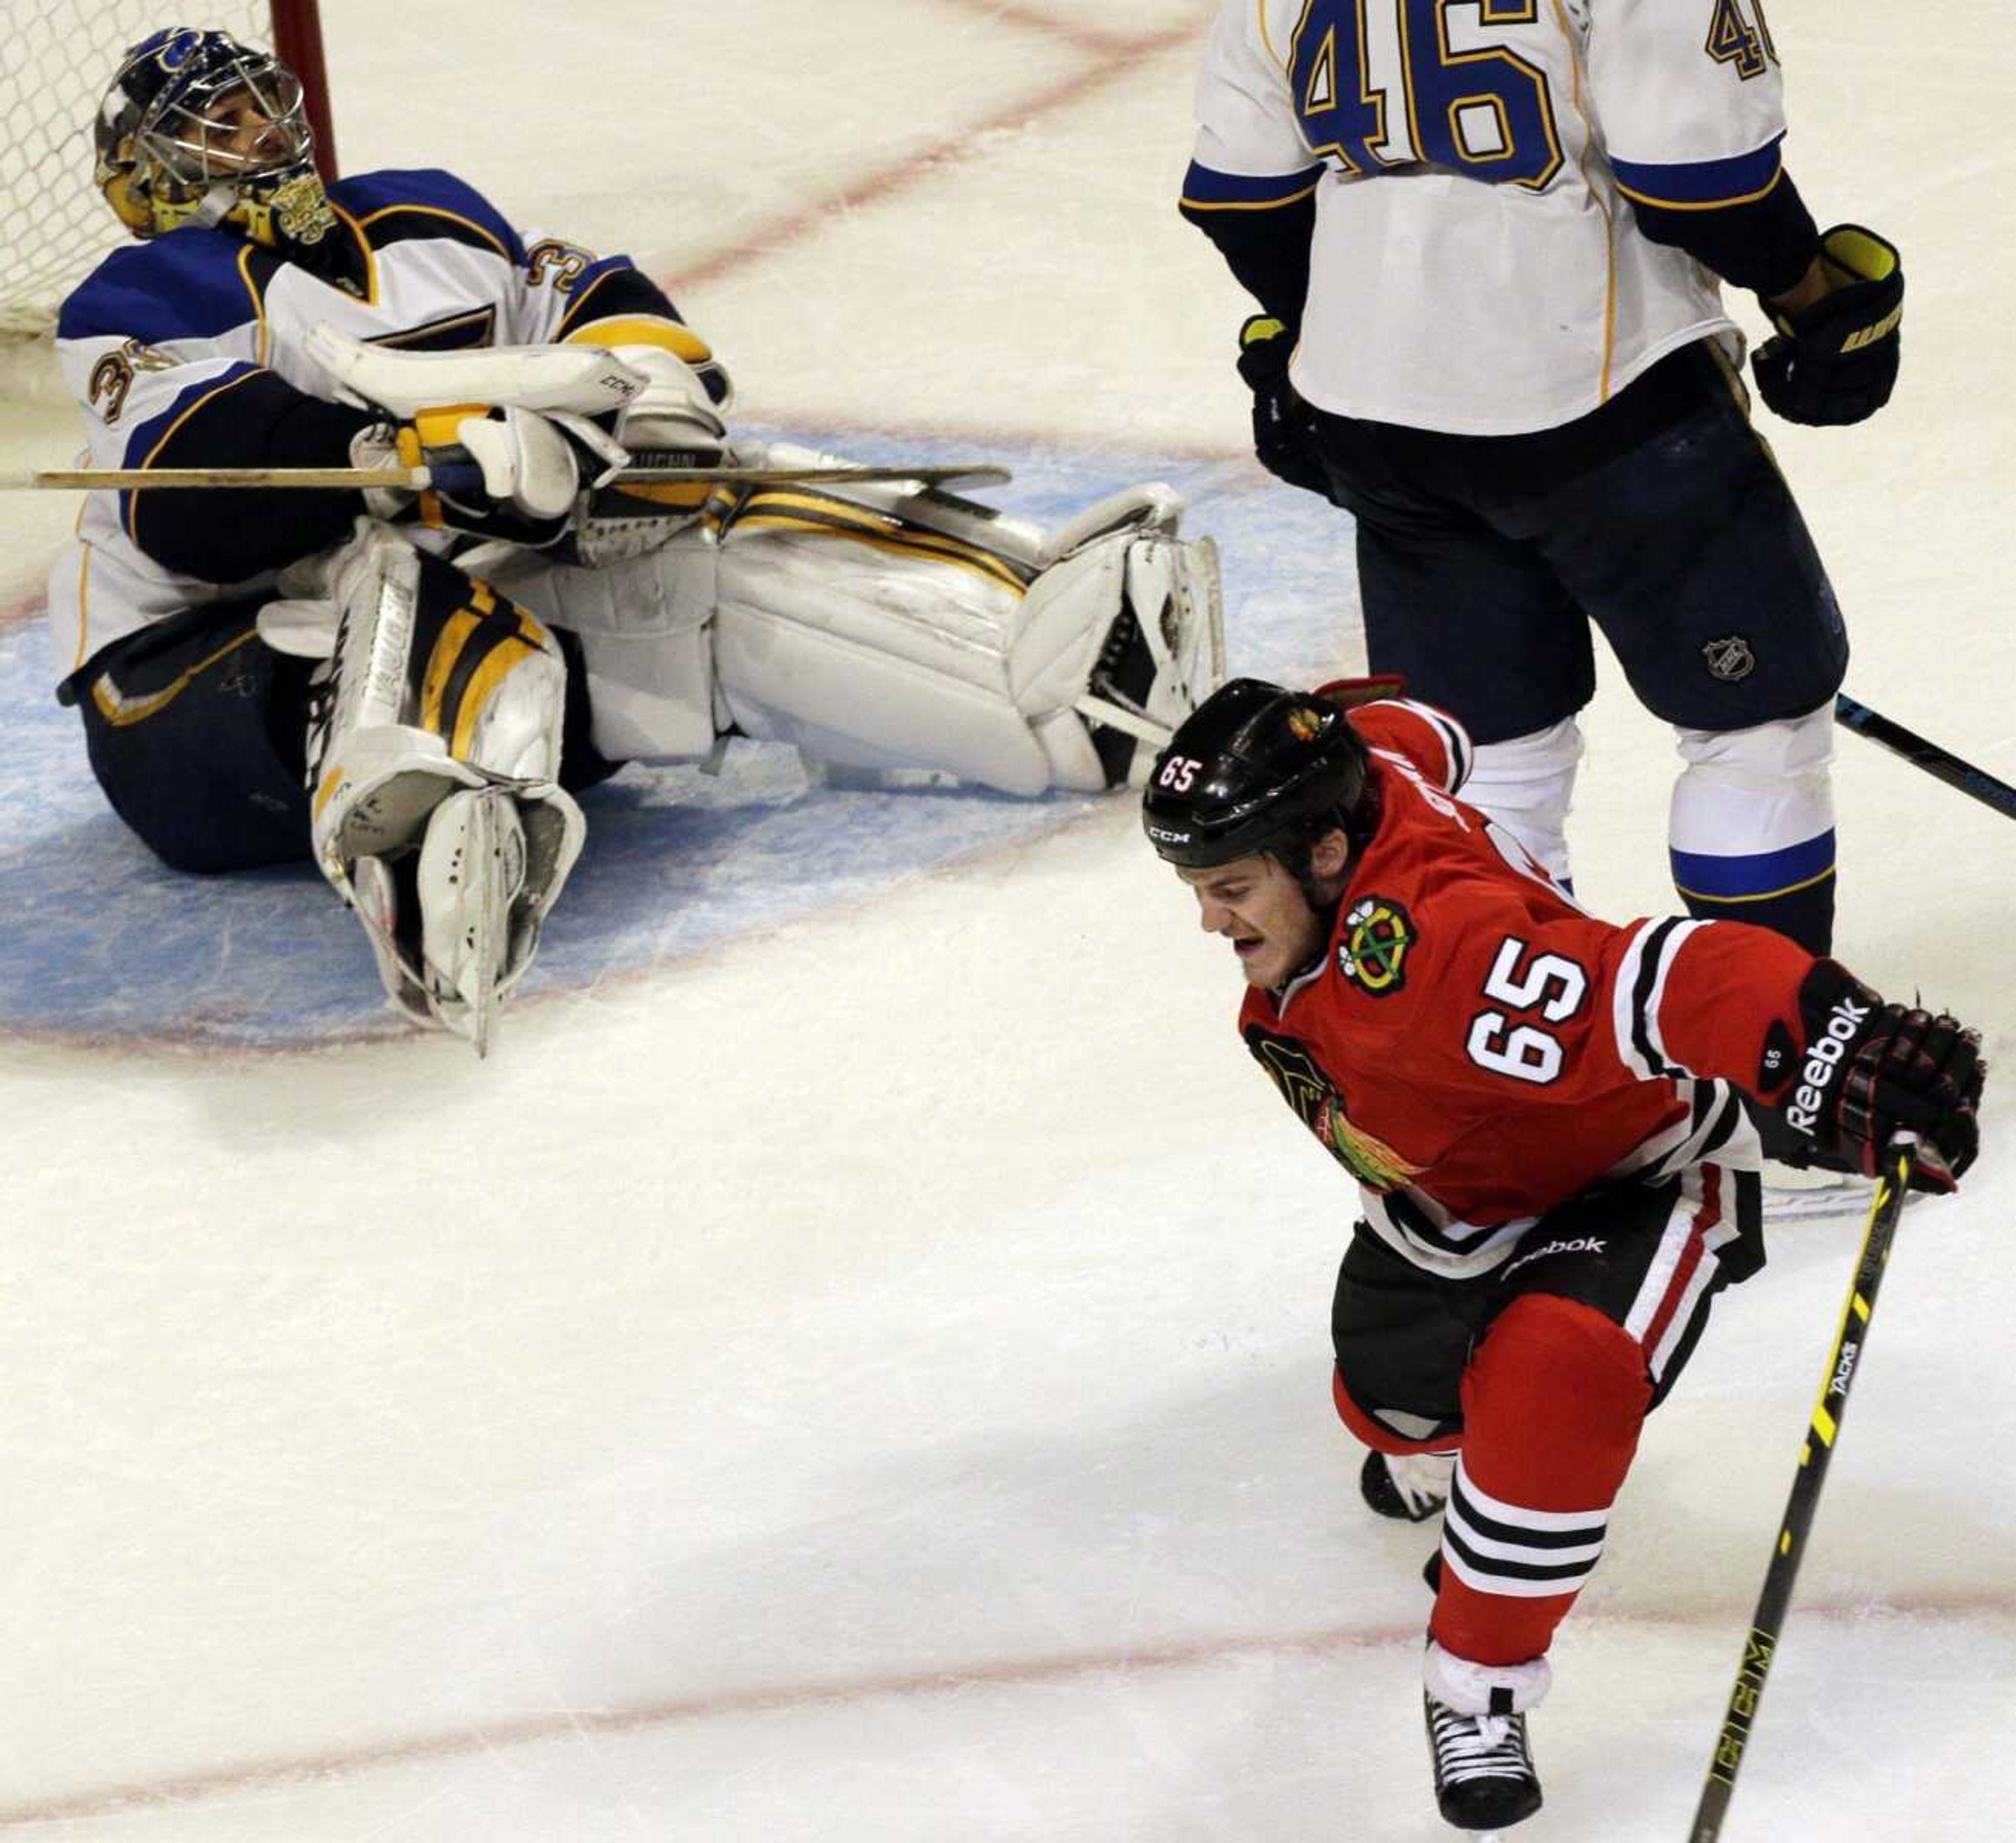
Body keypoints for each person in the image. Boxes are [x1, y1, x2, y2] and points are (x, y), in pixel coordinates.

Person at [50, 27, 1222, 1051]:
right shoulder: (140, 298)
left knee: (702, 545)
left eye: (264, 106)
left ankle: (1057, 683)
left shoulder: (422, 210)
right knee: (414, 584)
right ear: (150, 174)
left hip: (461, 626)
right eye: (218, 125)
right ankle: (421, 858)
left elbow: (584, 291)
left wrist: (644, 392)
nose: (259, 136)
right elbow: (186, 498)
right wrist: (398, 456)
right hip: (191, 706)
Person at [1140, 676, 1982, 1830]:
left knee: (1557, 1379)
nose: (1211, 921)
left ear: (1328, 852)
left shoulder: (1439, 959)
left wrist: (1836, 1047)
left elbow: (1670, 982)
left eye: (1231, 889)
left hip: (1631, 1173)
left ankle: (1477, 1685)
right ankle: (1435, 1450)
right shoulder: (1362, 780)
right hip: (1454, 1193)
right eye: (1198, 887)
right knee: (1395, 1406)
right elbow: (1407, 728)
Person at [1178, 0, 1908, 958]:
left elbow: (1243, 198)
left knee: (1490, 763)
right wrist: (1810, 297)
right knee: (1754, 732)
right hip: (1612, 405)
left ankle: (1545, 1071)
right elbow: (1699, 179)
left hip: (1381, 425)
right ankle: (1765, 1055)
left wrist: (1319, 334)